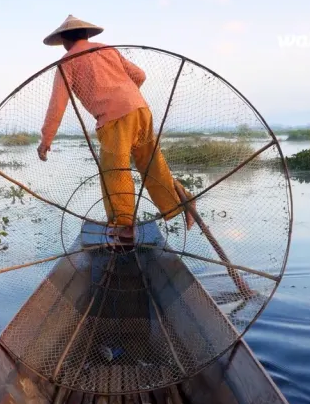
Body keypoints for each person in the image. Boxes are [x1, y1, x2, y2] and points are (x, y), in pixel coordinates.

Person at [36, 15, 196, 242]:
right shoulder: (107, 50)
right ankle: (182, 202)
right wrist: (125, 94)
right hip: (140, 109)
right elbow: (139, 75)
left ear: (64, 40)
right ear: (86, 35)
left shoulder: (68, 61)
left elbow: (57, 104)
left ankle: (125, 227)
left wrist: (46, 140)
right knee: (151, 162)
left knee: (115, 172)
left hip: (114, 119)